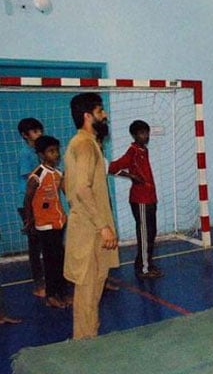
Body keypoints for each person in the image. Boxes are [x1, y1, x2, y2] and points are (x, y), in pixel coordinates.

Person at [63, 92, 119, 339]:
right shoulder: (84, 144)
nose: (105, 115)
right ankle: (83, 346)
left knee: (95, 288)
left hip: (92, 227)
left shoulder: (85, 143)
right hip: (89, 231)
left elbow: (67, 183)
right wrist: (102, 225)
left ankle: (89, 340)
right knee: (87, 292)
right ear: (88, 116)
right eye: (100, 111)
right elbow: (81, 189)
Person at [108, 120, 163, 279]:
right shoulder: (132, 151)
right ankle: (144, 269)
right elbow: (112, 168)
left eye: (147, 133)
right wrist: (130, 175)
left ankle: (144, 262)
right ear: (134, 135)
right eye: (141, 133)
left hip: (150, 198)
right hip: (140, 200)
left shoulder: (143, 150)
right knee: (145, 234)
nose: (145, 136)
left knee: (151, 233)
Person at [23, 135, 70, 309]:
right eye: (51, 151)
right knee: (50, 261)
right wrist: (29, 221)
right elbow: (28, 199)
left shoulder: (58, 173)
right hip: (45, 225)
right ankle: (51, 295)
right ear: (42, 154)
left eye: (56, 150)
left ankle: (62, 293)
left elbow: (66, 194)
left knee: (60, 259)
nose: (55, 154)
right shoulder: (37, 175)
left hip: (59, 223)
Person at [16, 117, 46, 298]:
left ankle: (52, 279)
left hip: (40, 203)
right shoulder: (25, 153)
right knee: (35, 243)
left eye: (39, 130)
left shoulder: (37, 152)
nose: (39, 134)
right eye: (35, 132)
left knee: (47, 241)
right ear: (24, 135)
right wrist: (48, 167)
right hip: (27, 204)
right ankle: (38, 283)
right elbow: (31, 176)